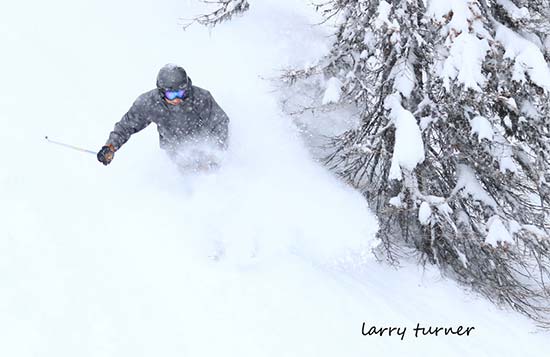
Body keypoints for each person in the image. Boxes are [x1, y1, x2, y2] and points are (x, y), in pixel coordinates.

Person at [97, 64, 230, 170]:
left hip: (205, 151)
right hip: (177, 154)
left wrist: (213, 154)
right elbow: (126, 126)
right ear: (161, 92)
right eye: (172, 95)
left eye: (181, 93)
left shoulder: (201, 98)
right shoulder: (150, 103)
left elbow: (220, 123)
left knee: (209, 182)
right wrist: (111, 147)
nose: (177, 99)